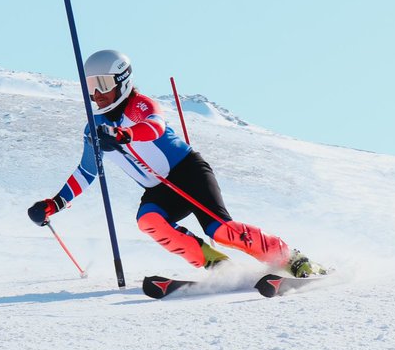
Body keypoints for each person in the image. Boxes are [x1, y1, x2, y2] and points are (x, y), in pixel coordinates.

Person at [27, 49, 322, 277]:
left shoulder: (141, 105)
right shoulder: (95, 128)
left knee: (221, 230)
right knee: (148, 220)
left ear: (122, 80)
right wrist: (54, 204)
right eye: (90, 86)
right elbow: (86, 172)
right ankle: (218, 266)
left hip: (188, 172)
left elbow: (153, 127)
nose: (96, 94)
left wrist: (122, 135)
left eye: (102, 84)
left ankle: (290, 258)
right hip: (160, 188)